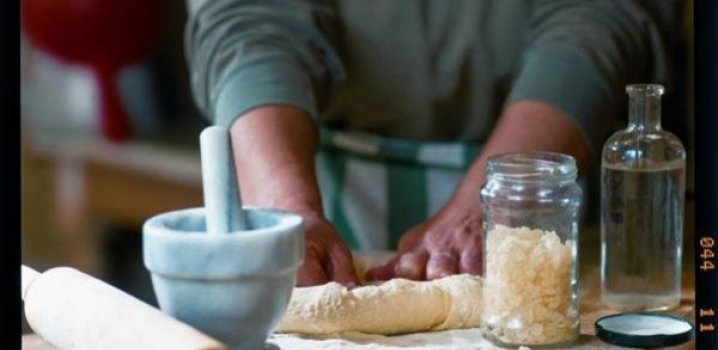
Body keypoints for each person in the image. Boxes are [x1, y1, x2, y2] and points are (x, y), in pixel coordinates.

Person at [185, 0, 679, 287]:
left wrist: (499, 196)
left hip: (549, 190)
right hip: (326, 179)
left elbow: (601, 14)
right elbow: (249, 19)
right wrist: (283, 216)